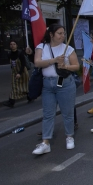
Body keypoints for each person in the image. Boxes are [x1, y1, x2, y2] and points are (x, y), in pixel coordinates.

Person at [32, 24, 79, 155]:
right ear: (51, 34)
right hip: (47, 85)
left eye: (63, 33)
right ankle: (45, 142)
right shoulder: (41, 47)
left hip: (65, 84)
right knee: (48, 114)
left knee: (67, 113)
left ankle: (69, 136)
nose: (62, 36)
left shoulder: (68, 48)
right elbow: (37, 62)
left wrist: (65, 66)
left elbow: (76, 66)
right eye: (59, 33)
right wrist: (54, 60)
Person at [3, 40, 30, 108]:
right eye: (11, 44)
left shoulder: (20, 53)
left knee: (25, 86)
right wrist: (14, 72)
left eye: (14, 44)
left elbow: (23, 64)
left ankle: (30, 96)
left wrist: (20, 73)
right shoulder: (9, 54)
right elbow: (12, 64)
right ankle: (11, 102)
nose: (12, 46)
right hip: (14, 72)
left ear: (16, 45)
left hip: (22, 72)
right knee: (14, 86)